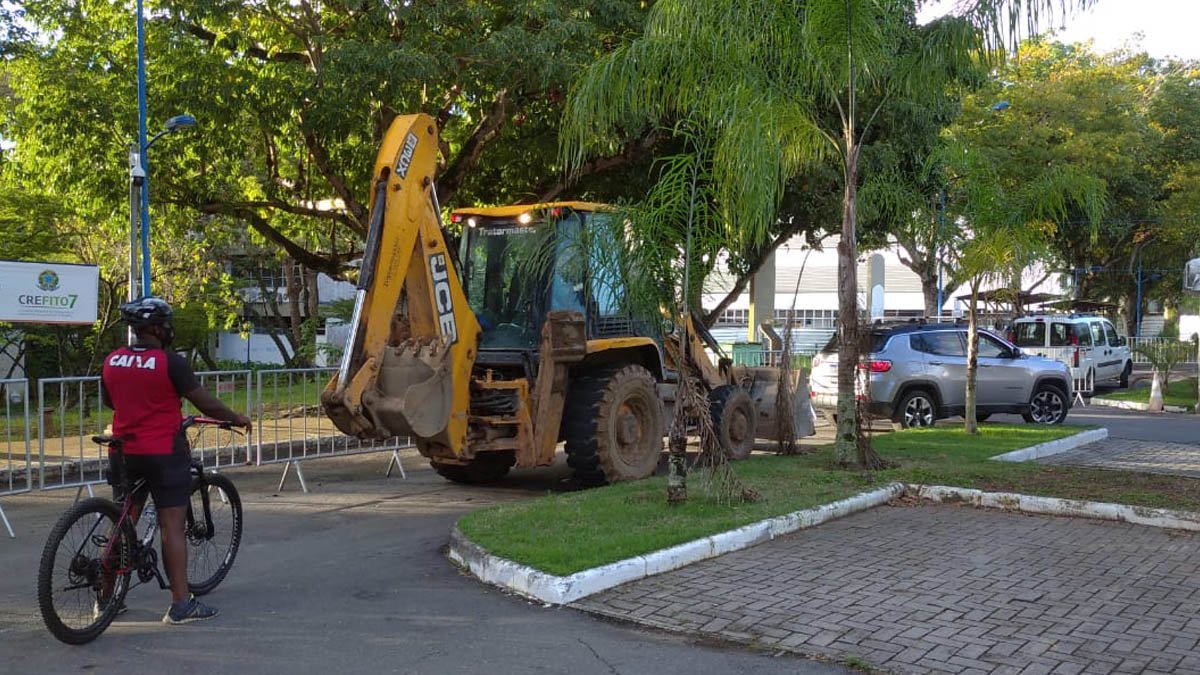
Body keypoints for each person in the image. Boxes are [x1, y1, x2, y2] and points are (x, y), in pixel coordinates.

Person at [100, 297, 252, 625]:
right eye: (166, 322)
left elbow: (111, 400)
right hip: (163, 454)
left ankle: (105, 597)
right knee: (172, 524)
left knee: (123, 522)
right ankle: (181, 604)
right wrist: (235, 417)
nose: (169, 328)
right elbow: (205, 402)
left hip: (123, 452)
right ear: (156, 328)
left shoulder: (112, 360)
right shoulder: (170, 363)